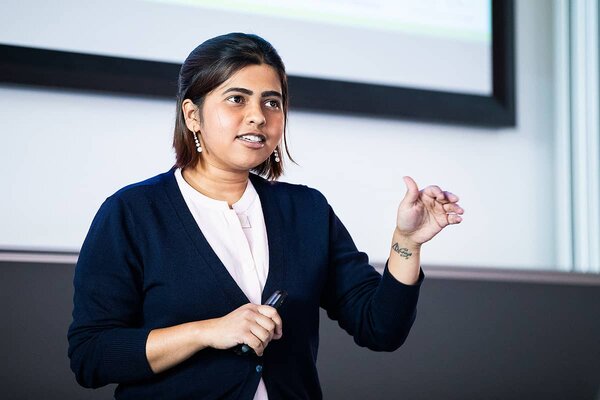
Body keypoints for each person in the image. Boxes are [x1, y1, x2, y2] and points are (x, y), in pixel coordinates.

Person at [68, 32, 464, 399]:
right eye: (237, 99)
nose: (258, 116)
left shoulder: (306, 210)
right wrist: (208, 332)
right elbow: (91, 355)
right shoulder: (132, 212)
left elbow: (380, 328)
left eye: (272, 102)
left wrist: (407, 242)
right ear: (192, 116)